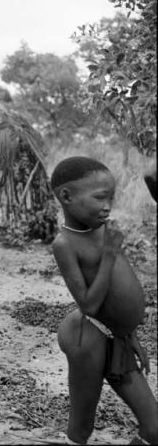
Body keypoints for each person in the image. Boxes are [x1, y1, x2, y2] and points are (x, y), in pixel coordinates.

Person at [50, 156, 157, 445]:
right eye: (100, 197)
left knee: (154, 428)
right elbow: (88, 305)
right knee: (82, 426)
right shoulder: (65, 244)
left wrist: (129, 335)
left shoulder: (102, 229)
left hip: (116, 339)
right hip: (88, 336)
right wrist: (109, 254)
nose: (108, 205)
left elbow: (119, 289)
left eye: (111, 197)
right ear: (67, 197)